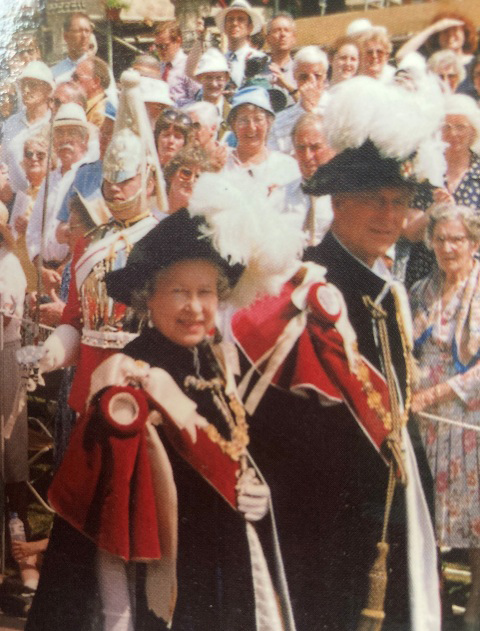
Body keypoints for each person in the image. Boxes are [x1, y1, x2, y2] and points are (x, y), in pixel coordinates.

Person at [25, 172, 303, 631]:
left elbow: (235, 448)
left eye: (206, 292)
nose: (195, 307)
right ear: (146, 298)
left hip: (225, 562)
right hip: (161, 578)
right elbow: (108, 520)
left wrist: (259, 491)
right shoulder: (127, 375)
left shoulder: (213, 359)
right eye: (179, 292)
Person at [232, 76, 442, 631]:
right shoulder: (304, 290)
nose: (389, 216)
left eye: (399, 203)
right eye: (376, 201)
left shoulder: (388, 294)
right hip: (321, 512)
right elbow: (268, 415)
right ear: (340, 200)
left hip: (384, 507)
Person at [409, 202, 480, 630]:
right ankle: (430, 602)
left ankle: (475, 603)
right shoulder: (421, 289)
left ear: (474, 243)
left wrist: (436, 393)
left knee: (478, 514)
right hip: (427, 422)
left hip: (468, 414)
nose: (448, 247)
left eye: (457, 239)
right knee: (428, 511)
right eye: (440, 239)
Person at [0, 201, 38, 594]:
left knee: (11, 447)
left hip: (5, 356)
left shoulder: (9, 262)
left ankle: (18, 533)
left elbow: (6, 317)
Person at [223, 86, 299, 206]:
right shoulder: (221, 163)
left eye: (258, 119)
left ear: (269, 123)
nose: (251, 127)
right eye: (243, 120)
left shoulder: (286, 166)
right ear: (233, 125)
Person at [1, 61, 53, 195]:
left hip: (46, 200)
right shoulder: (11, 123)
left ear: (48, 90)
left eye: (33, 85)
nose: (26, 90)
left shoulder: (54, 123)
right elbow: (3, 163)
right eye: (23, 85)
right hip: (14, 200)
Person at [396, 11, 478, 97]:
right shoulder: (430, 65)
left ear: (465, 34)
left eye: (455, 30)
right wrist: (434, 28)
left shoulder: (475, 65)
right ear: (437, 37)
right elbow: (401, 56)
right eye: (445, 31)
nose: (450, 35)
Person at [283, 112, 335, 245]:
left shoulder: (352, 197)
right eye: (301, 148)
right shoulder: (281, 196)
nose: (307, 156)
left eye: (315, 147)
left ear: (332, 148)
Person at [9, 128, 51, 292]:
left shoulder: (50, 192)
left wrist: (31, 228)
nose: (33, 158)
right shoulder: (23, 195)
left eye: (40, 155)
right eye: (28, 154)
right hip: (22, 280)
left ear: (50, 160)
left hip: (42, 280)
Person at [267, 46, 330, 155]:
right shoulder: (280, 121)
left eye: (317, 76)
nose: (311, 82)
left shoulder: (340, 110)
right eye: (304, 77)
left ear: (325, 76)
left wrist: (312, 112)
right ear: (294, 77)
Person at [214, 0, 264, 89]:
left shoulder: (260, 59)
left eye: (240, 19)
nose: (234, 23)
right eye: (230, 19)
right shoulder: (218, 61)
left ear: (250, 27)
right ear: (225, 27)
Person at [153, 20, 199, 106]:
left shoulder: (189, 66)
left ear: (178, 41)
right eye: (157, 46)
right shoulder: (160, 67)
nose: (160, 51)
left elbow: (198, 99)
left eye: (164, 46)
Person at [163, 145, 213, 213]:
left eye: (198, 177)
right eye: (186, 173)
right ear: (171, 174)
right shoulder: (151, 220)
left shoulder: (203, 222)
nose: (191, 180)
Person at [72, 55, 112, 129]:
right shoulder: (87, 106)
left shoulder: (100, 114)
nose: (71, 81)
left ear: (96, 82)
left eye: (76, 77)